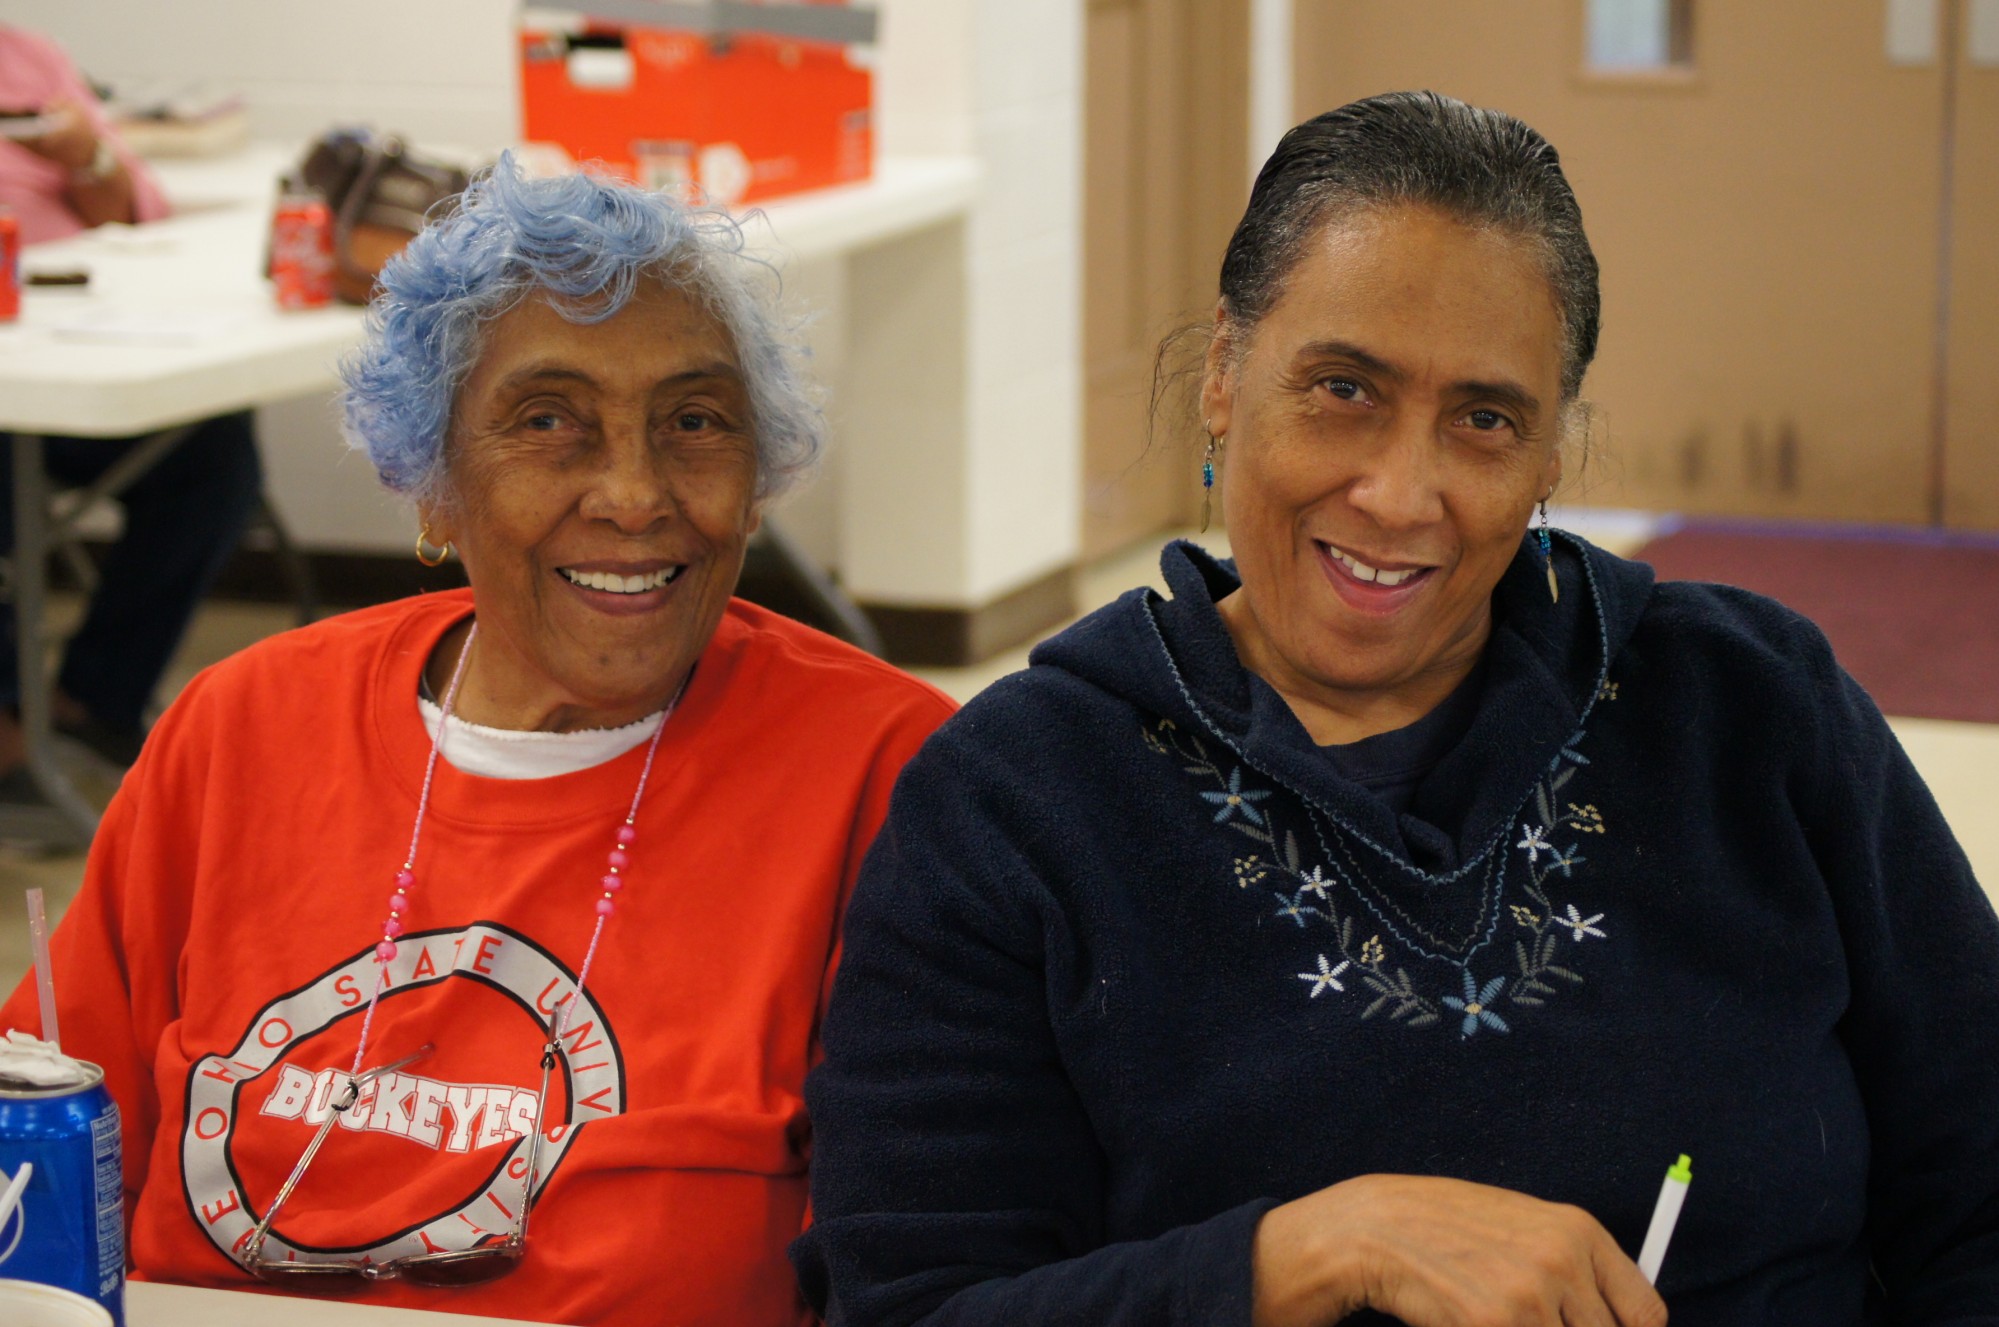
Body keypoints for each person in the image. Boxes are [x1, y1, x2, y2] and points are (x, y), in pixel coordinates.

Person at [793, 91, 1999, 1326]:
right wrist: (1303, 1254)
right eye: (1342, 389)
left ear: (1550, 459)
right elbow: (912, 1305)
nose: (1398, 493)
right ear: (1221, 373)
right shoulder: (1016, 803)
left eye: (1483, 420)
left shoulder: (1750, 710)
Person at [0, 160, 955, 1326]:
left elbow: (912, 1270)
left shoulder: (893, 775)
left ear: (757, 479)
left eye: (695, 422)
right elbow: (44, 1155)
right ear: (431, 484)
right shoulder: (240, 728)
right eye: (547, 421)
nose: (633, 492)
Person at [0, 23, 262, 786]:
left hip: (74, 338)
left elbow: (136, 211)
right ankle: (9, 726)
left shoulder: (27, 57)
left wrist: (86, 154)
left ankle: (93, 699)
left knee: (210, 448)